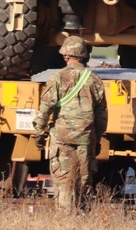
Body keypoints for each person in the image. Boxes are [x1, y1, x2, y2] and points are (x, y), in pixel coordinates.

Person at [33, 35, 108, 212]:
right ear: (84, 55)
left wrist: (39, 134)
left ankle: (65, 219)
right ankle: (82, 218)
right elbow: (102, 117)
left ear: (65, 55)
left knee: (64, 183)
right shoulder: (95, 80)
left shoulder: (56, 78)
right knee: (84, 182)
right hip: (85, 140)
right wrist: (96, 139)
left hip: (62, 139)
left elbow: (45, 109)